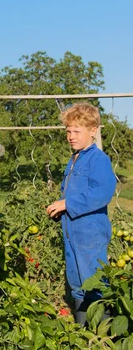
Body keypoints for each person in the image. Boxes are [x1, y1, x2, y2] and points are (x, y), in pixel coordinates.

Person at [46, 103, 116, 326]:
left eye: (77, 131)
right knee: (76, 282)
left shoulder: (98, 159)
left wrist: (67, 203)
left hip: (90, 234)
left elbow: (101, 193)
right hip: (72, 232)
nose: (70, 136)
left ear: (93, 130)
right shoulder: (75, 159)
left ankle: (102, 340)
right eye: (68, 131)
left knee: (94, 283)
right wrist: (61, 209)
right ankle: (82, 334)